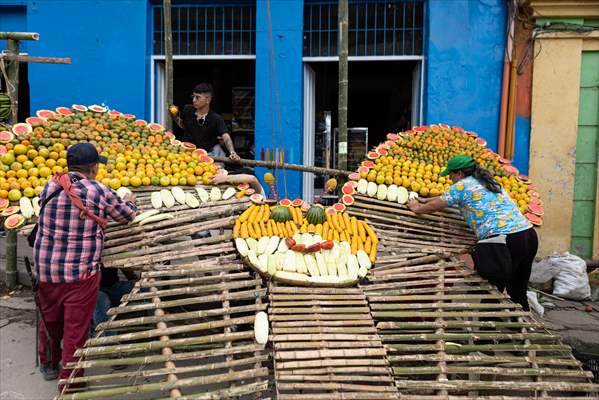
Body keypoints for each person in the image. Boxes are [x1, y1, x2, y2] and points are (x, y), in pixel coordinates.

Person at [33, 143, 137, 387]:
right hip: (80, 274)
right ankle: (71, 384)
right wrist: (130, 201)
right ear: (94, 168)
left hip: (46, 270)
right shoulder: (98, 190)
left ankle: (48, 363)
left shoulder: (51, 184)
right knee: (75, 331)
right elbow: (126, 216)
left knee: (50, 321)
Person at [406, 154, 538, 311]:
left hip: (506, 239)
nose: (450, 178)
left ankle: (487, 329)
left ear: (459, 174)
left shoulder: (462, 185)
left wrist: (417, 208)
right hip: (528, 235)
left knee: (492, 289)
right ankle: (520, 329)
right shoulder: (488, 182)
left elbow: (437, 205)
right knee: (517, 288)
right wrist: (424, 199)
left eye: (451, 174)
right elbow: (444, 198)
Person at [172, 83, 240, 160]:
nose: (194, 100)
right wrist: (174, 117)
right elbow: (184, 126)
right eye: (193, 96)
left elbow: (226, 137)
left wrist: (232, 152)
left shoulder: (216, 118)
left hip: (207, 155)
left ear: (207, 100)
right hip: (186, 154)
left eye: (197, 97)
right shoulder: (187, 109)